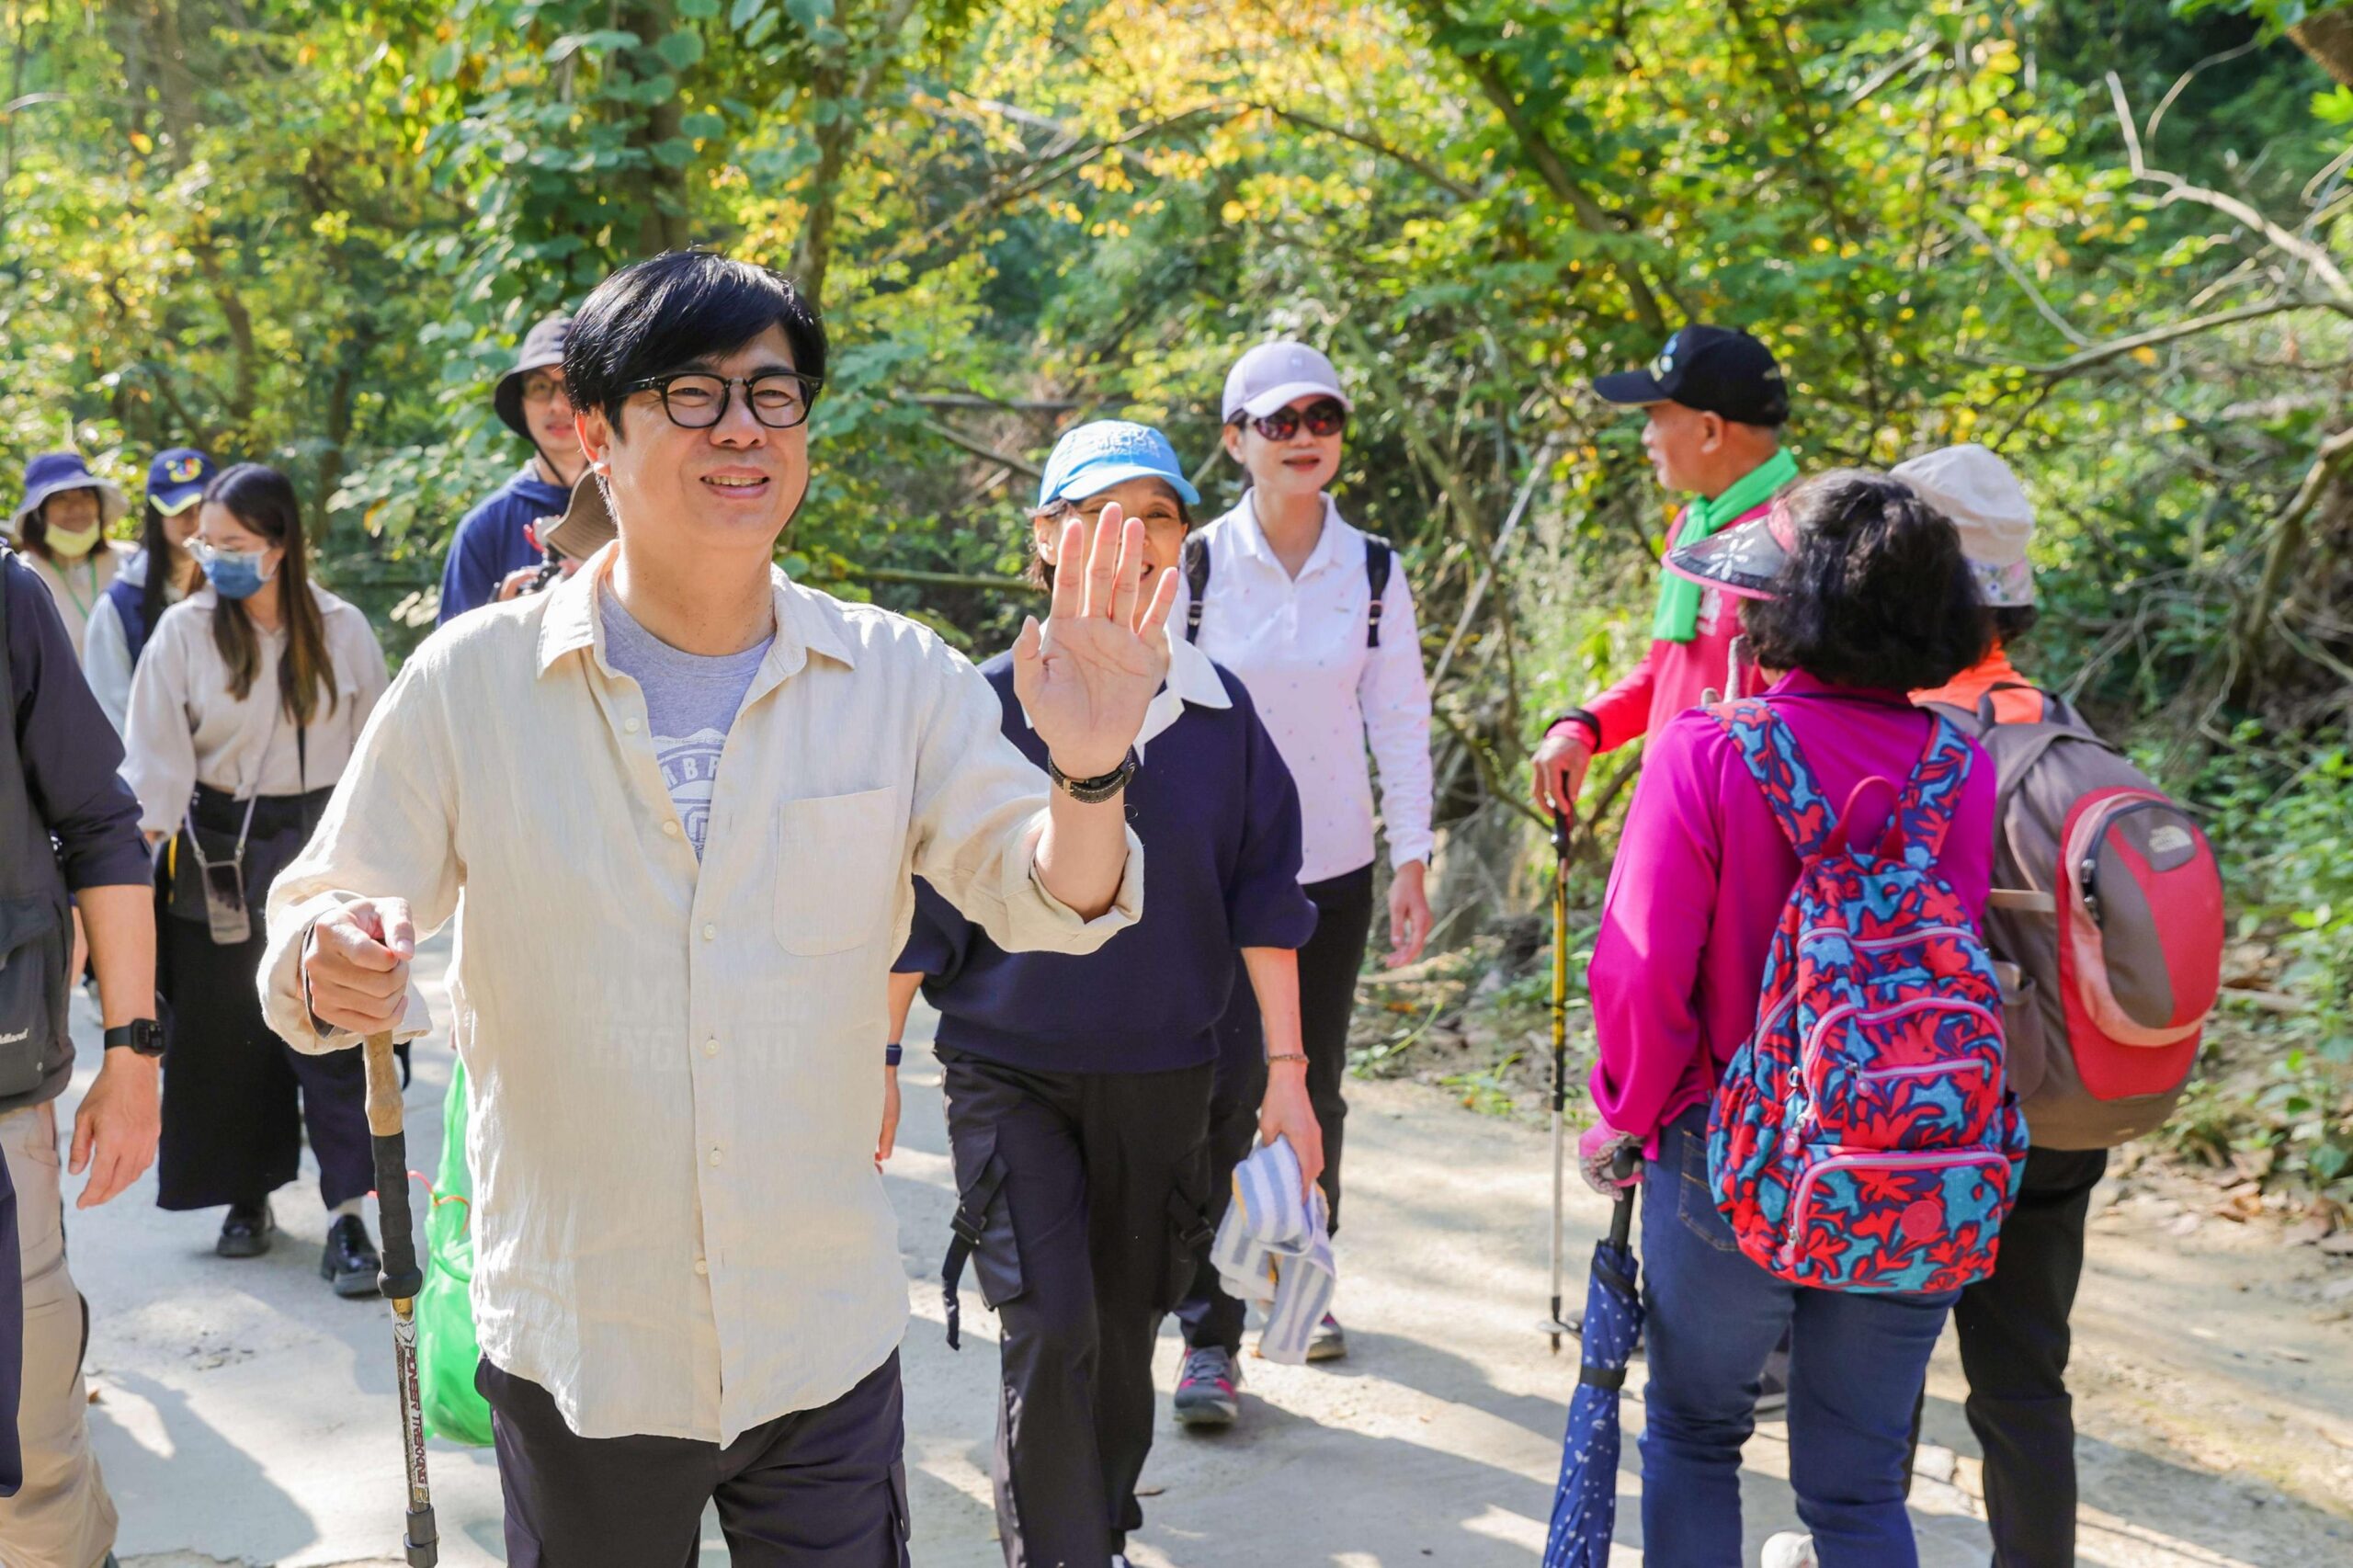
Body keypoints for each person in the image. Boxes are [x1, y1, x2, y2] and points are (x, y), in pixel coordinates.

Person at [261, 249, 1176, 1566]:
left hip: (821, 1344)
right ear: (594, 431)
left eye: (774, 392)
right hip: (588, 1350)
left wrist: (1090, 768)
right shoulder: (477, 684)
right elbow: (330, 903)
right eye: (692, 393)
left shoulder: (892, 677)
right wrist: (327, 963)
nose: (743, 426)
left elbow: (1053, 900)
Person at [887, 420, 1323, 1568]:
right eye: (1096, 514)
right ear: (1045, 538)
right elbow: (918, 913)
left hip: (1171, 1077)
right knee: (1049, 1324)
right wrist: (873, 1065)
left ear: (1184, 544)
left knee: (1123, 1329)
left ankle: (1100, 1525)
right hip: (1004, 1069)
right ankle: (1062, 1552)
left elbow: (1264, 907)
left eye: (1157, 516)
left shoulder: (1222, 717)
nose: (1128, 541)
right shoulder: (980, 703)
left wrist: (1290, 1077)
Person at [1579, 471, 1997, 1566]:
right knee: (1858, 1490)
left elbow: (1639, 974)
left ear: (1782, 606)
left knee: (1693, 1430)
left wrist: (1626, 1115)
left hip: (1727, 1147)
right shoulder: (1962, 765)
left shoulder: (1709, 753)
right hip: (1912, 1155)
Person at [1170, 339, 1434, 1403]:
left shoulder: (1372, 567)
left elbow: (1399, 719)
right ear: (1234, 440)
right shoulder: (1189, 563)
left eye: (1320, 418)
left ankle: (1301, 1276)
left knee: (1308, 1081)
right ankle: (1207, 1328)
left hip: (1329, 870)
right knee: (1208, 1087)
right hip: (1205, 873)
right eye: (1276, 422)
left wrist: (1412, 856)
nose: (1303, 438)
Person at [1897, 443, 2098, 1568]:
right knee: (2024, 1377)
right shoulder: (2058, 719)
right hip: (2058, 1094)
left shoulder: (1915, 729)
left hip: (1938, 1102)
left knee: (1874, 1355)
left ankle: (1859, 1544)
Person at [123, 463, 390, 1291]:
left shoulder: (341, 629)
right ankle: (248, 1196)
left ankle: (349, 1218)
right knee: (230, 1035)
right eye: (208, 542)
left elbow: (382, 757)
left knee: (334, 1032)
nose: (216, 557)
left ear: (280, 545)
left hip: (323, 845)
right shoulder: (184, 631)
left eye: (234, 543)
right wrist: (122, 888)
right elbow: (156, 770)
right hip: (218, 855)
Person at [1, 540, 163, 1567]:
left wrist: (133, 1051)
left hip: (3, 1106)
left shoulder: (8, 601)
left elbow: (100, 824)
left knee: (31, 1448)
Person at [1529, 324, 1798, 819]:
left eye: (1654, 417)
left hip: (1738, 834)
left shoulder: (1799, 539)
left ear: (1711, 430)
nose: (1646, 437)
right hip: (1673, 813)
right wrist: (1585, 726)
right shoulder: (1693, 526)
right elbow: (1668, 669)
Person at [437, 312, 584, 622]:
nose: (557, 405)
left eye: (571, 387)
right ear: (521, 403)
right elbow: (449, 663)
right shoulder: (484, 529)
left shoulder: (635, 510)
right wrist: (499, 616)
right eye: (540, 387)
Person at [83, 447, 215, 735]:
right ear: (156, 515)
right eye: (179, 509)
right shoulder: (120, 605)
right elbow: (112, 713)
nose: (192, 520)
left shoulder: (235, 591)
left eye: (201, 508)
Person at [8, 452, 135, 664]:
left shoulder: (129, 562)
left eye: (86, 494)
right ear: (39, 513)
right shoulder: (22, 574)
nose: (77, 507)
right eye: (61, 498)